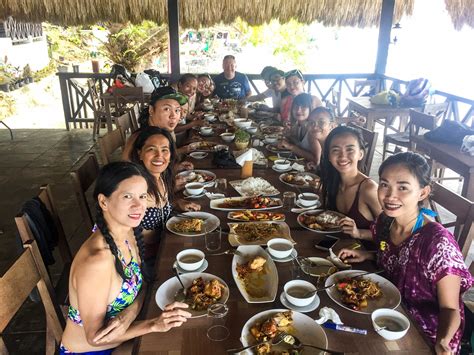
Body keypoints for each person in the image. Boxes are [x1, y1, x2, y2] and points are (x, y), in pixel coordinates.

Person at [338, 152, 473, 354]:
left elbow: (451, 309)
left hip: (424, 334)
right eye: (384, 184)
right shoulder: (386, 220)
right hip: (383, 311)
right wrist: (369, 256)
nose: (390, 195)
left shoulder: (437, 244)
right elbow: (396, 258)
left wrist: (443, 342)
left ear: (423, 193)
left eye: (403, 187)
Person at [60, 162, 191, 354]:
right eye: (127, 196)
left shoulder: (127, 231)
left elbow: (144, 281)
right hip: (93, 350)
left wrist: (129, 313)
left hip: (125, 335)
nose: (139, 205)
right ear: (104, 202)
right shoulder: (97, 261)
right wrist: (152, 325)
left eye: (142, 196)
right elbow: (96, 338)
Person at [320, 125, 381, 240]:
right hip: (338, 247)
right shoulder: (333, 182)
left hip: (365, 254)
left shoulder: (369, 189)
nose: (343, 156)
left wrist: (359, 233)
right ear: (329, 156)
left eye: (350, 149)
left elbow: (392, 234)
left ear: (361, 154)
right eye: (336, 150)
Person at [122, 86, 198, 161]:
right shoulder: (142, 139)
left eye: (177, 110)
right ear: (151, 110)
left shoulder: (163, 131)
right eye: (167, 109)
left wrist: (175, 168)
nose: (173, 116)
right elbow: (130, 171)